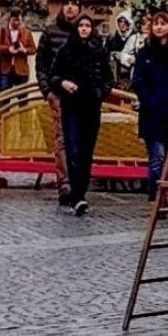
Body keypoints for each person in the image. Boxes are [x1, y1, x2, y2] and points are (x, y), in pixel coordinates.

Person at [51, 11, 113, 215]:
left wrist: (99, 93)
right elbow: (54, 76)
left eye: (87, 26)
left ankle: (80, 192)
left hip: (91, 106)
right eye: (81, 26)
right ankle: (77, 196)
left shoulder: (99, 51)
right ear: (76, 28)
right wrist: (62, 83)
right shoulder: (66, 50)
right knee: (74, 150)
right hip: (71, 106)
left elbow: (108, 79)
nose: (84, 29)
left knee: (86, 152)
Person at [130, 12, 168, 197]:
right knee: (157, 157)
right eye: (156, 24)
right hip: (152, 113)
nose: (159, 27)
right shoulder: (145, 52)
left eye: (163, 24)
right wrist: (149, 100)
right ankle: (155, 196)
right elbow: (138, 81)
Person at [35, 0, 83, 105]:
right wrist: (47, 91)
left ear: (79, 9)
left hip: (82, 94)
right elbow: (41, 64)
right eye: (66, 4)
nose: (70, 7)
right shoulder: (50, 32)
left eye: (74, 4)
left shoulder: (87, 32)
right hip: (56, 92)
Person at [0, 9, 33, 95]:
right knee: (4, 95)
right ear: (10, 19)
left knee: (23, 97)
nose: (17, 23)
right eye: (15, 20)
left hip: (21, 69)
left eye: (19, 20)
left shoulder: (27, 32)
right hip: (5, 68)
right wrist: (8, 49)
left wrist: (24, 50)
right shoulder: (1, 31)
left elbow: (33, 49)